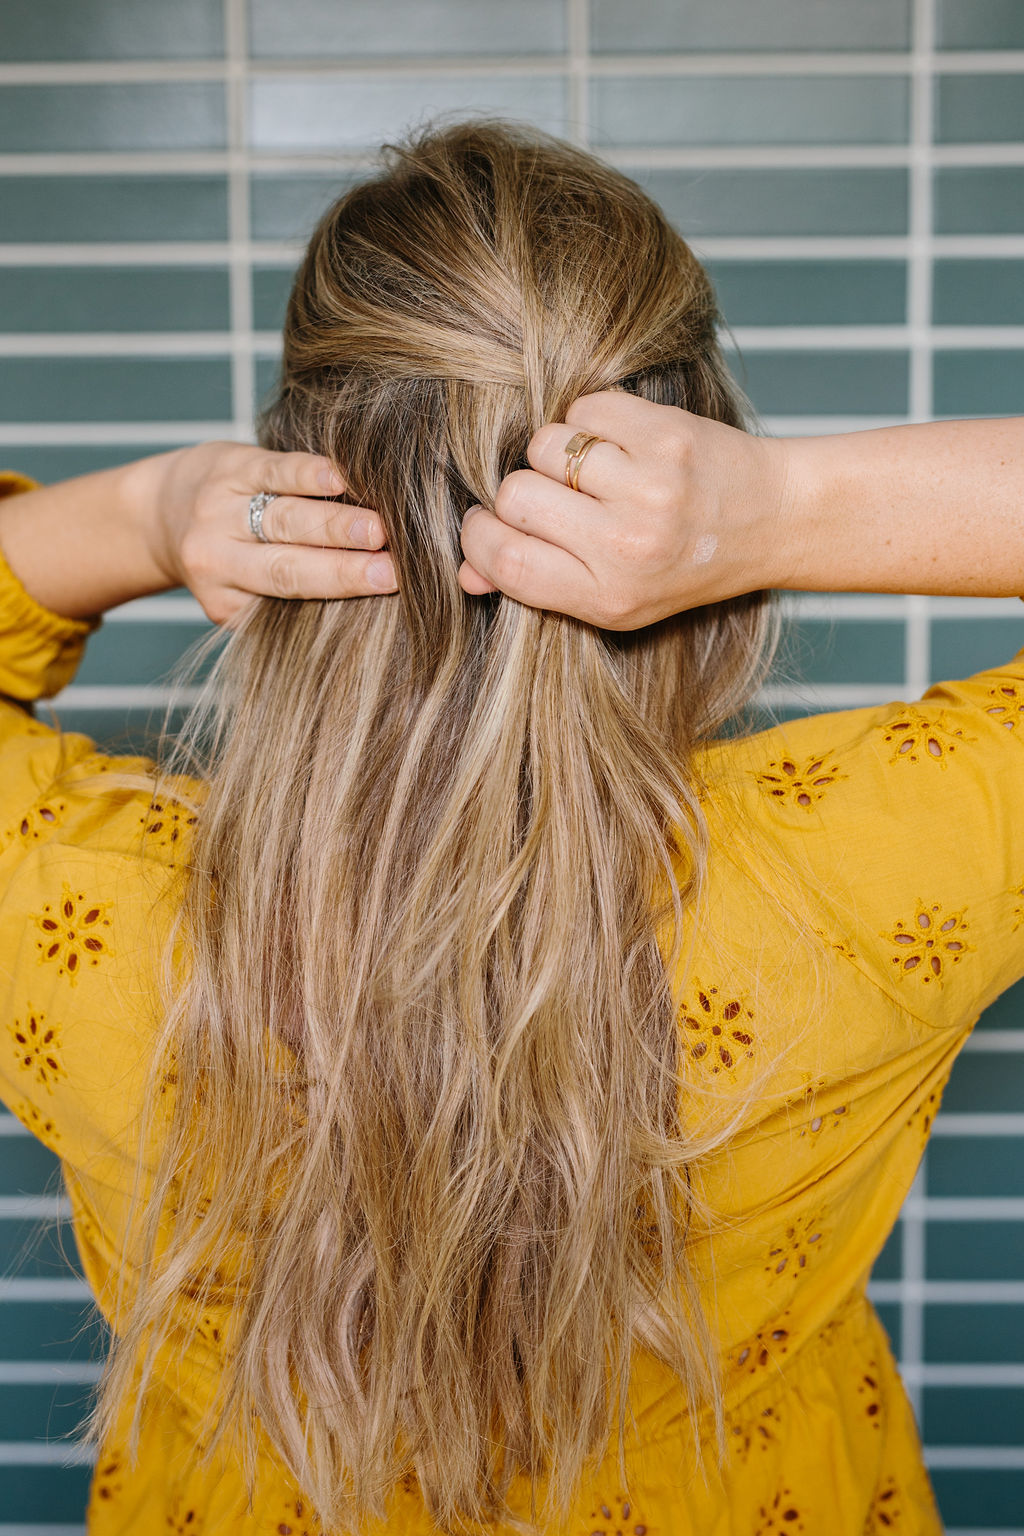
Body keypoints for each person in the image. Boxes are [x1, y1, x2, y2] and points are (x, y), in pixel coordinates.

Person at [0, 120, 1021, 1536]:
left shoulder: (85, 921)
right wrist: (796, 507)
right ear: (695, 467)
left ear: (304, 475)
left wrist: (143, 515)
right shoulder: (876, 861)